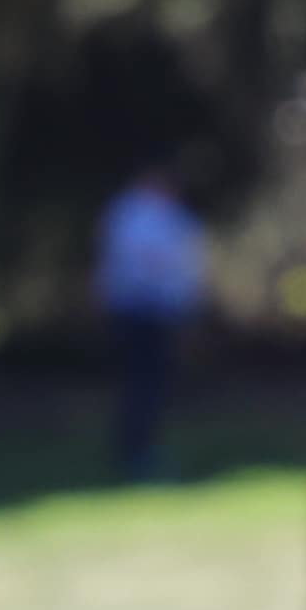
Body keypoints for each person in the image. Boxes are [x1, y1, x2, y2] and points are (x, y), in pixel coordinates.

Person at [92, 161, 206, 479]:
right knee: (141, 384)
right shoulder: (133, 214)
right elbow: (147, 262)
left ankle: (143, 448)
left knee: (154, 385)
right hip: (140, 310)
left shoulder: (169, 215)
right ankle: (136, 452)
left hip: (162, 312)